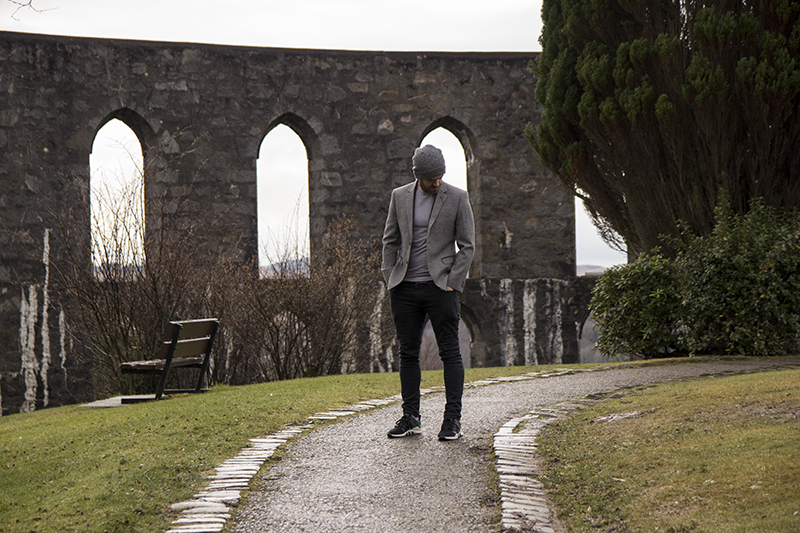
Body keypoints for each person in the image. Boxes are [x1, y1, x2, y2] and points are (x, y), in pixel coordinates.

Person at [381, 144, 475, 441]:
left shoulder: (458, 197)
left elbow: (468, 245)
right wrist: (389, 277)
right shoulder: (399, 196)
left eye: (440, 176)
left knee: (450, 352)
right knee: (408, 353)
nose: (437, 182)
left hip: (441, 288)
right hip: (405, 287)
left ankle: (452, 420)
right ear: (418, 176)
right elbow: (390, 241)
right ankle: (411, 417)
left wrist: (453, 282)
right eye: (432, 178)